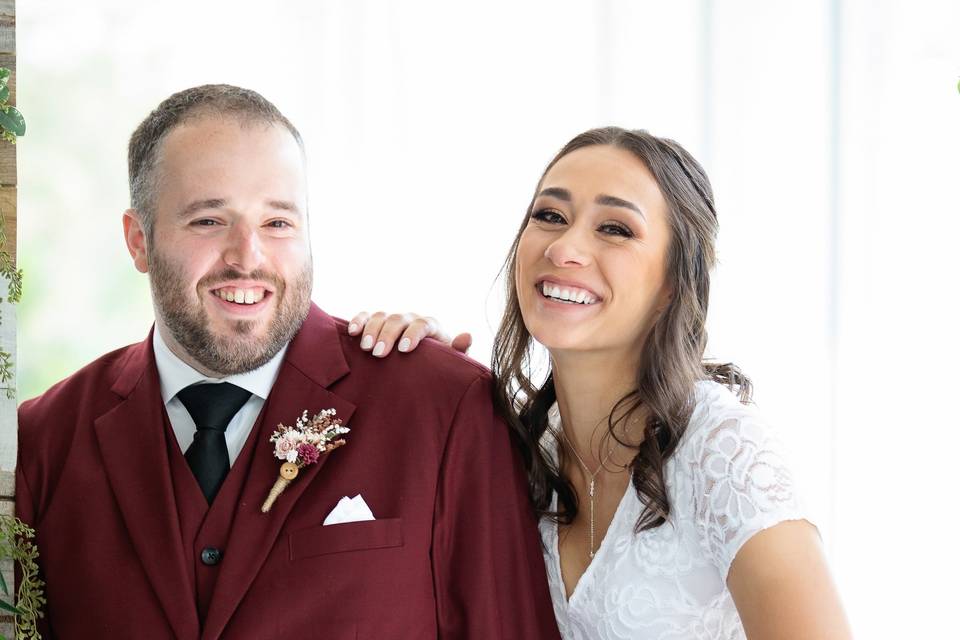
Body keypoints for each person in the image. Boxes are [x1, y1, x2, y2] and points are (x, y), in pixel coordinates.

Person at [16, 84, 561, 640]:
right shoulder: (46, 437)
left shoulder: (445, 406)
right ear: (138, 240)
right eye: (208, 220)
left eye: (278, 223)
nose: (247, 257)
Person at [349, 128, 852, 639]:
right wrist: (423, 374)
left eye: (615, 228)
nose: (565, 247)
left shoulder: (724, 452)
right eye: (550, 216)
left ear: (676, 279)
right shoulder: (516, 447)